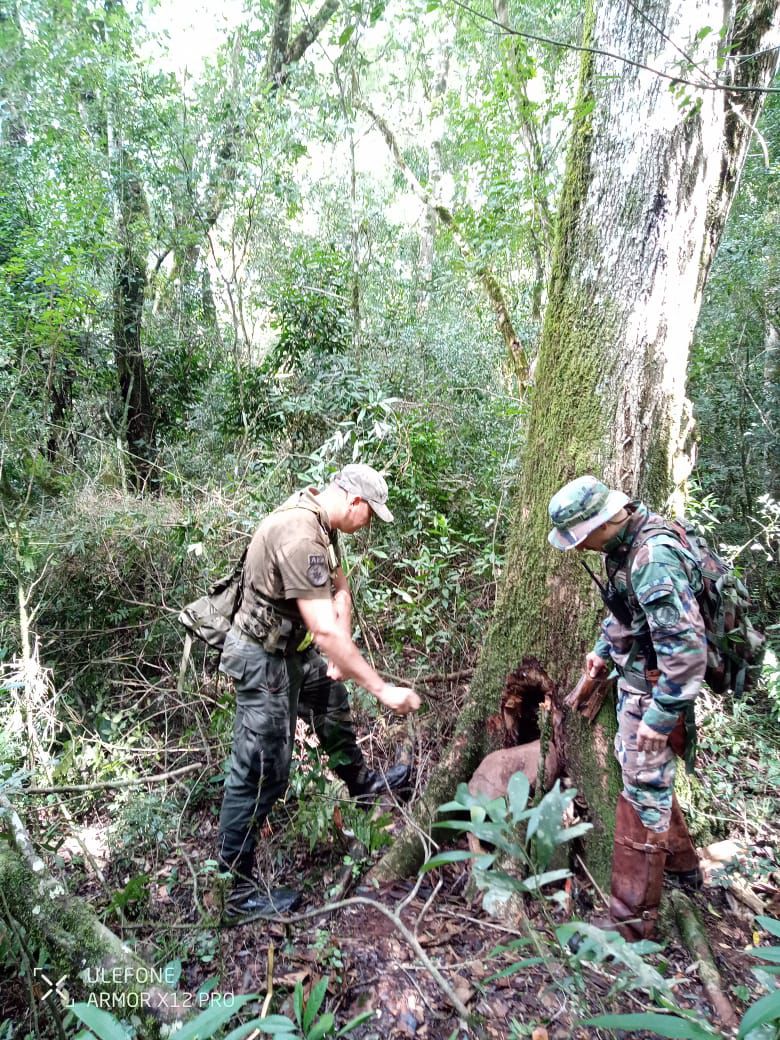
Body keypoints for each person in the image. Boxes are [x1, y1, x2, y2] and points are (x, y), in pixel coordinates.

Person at [217, 464, 421, 924]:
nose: (368, 525)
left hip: (293, 650)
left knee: (331, 701)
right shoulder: (299, 534)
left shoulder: (323, 523)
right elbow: (324, 629)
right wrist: (383, 689)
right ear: (355, 503)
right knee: (262, 769)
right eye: (370, 516)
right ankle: (234, 891)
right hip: (262, 657)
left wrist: (336, 647)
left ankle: (361, 783)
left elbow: (340, 592)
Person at [547, 475, 705, 941]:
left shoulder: (652, 560)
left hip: (655, 693)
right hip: (637, 682)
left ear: (600, 523)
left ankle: (630, 923)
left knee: (641, 790)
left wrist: (659, 718)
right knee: (645, 779)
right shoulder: (626, 546)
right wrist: (602, 649)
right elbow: (627, 614)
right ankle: (680, 865)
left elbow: (687, 652)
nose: (577, 549)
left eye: (579, 538)